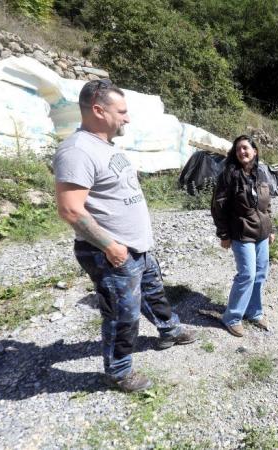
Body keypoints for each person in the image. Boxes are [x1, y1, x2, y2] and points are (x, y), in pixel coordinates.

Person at [53, 79, 196, 392]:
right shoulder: (77, 151)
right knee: (122, 315)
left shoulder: (103, 147)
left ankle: (169, 330)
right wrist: (111, 246)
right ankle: (118, 372)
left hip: (137, 247)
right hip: (112, 252)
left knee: (154, 292)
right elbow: (70, 210)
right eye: (122, 111)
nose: (127, 118)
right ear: (98, 110)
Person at [211, 135, 275, 337]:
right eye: (238, 149)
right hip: (241, 233)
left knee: (260, 273)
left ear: (255, 151)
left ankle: (254, 312)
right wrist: (223, 234)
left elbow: (267, 205)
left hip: (262, 234)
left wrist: (271, 229)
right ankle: (232, 317)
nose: (242, 152)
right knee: (247, 275)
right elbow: (218, 207)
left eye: (246, 148)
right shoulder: (229, 175)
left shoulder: (261, 173)